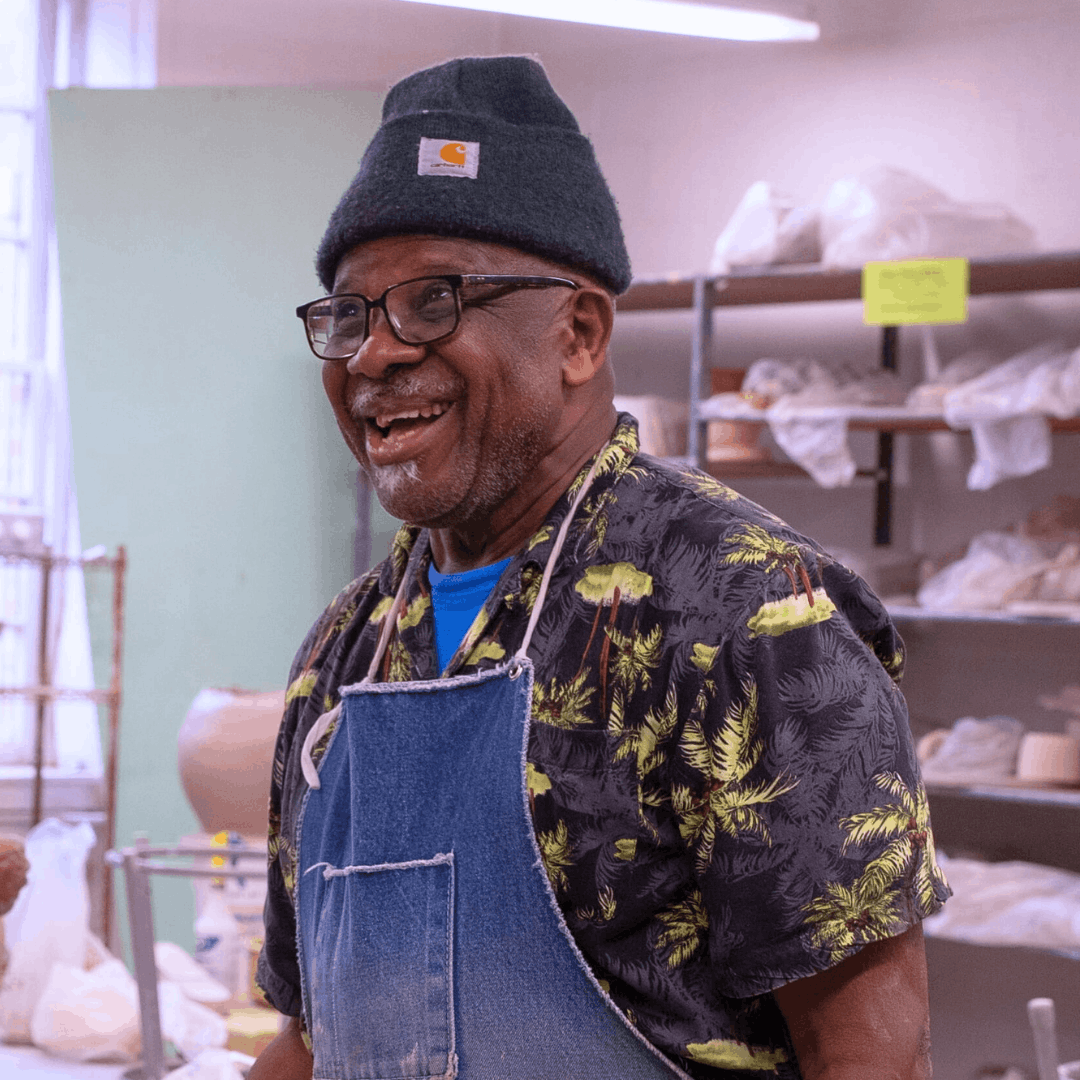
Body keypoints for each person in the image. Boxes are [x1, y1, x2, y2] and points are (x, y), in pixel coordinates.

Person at [252, 55, 949, 1080]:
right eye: (347, 315)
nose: (371, 357)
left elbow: (870, 1056)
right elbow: (312, 1037)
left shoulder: (743, 612)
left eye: (434, 302)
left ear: (578, 335)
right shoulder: (347, 654)